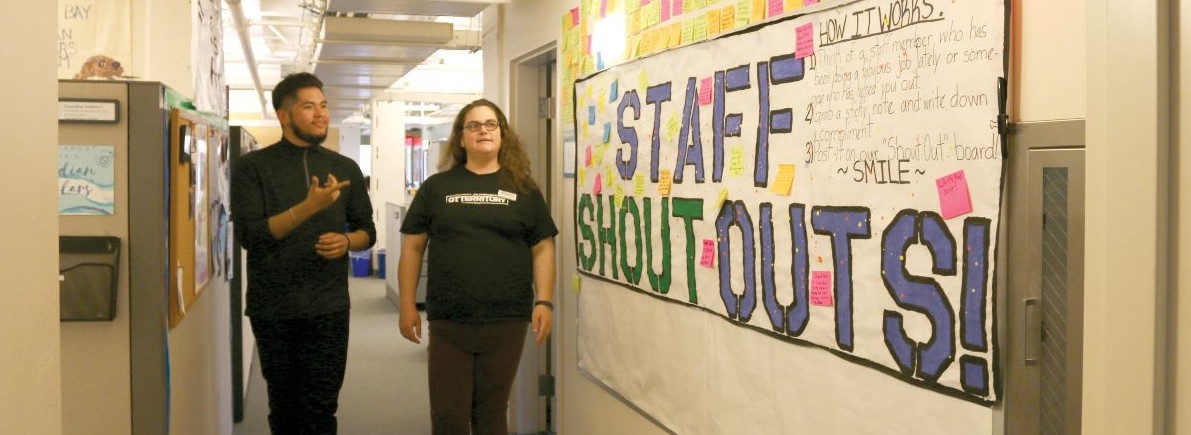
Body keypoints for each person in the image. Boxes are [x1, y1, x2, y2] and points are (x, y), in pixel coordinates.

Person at [398, 99, 557, 435]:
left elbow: (543, 247)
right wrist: (408, 304)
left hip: (506, 320)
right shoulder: (436, 188)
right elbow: (412, 248)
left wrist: (544, 300)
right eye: (474, 125)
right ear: (461, 137)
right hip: (449, 320)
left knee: (490, 414)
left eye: (490, 124)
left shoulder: (524, 189)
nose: (483, 131)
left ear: (502, 134)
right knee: (448, 417)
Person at [231, 72, 375, 434]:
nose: (320, 114)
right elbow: (252, 235)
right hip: (274, 309)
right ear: (284, 115)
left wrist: (347, 242)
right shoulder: (253, 168)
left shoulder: (346, 169)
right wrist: (309, 207)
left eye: (323, 106)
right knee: (284, 409)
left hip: (328, 307)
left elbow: (367, 232)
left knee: (322, 409)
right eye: (309, 107)